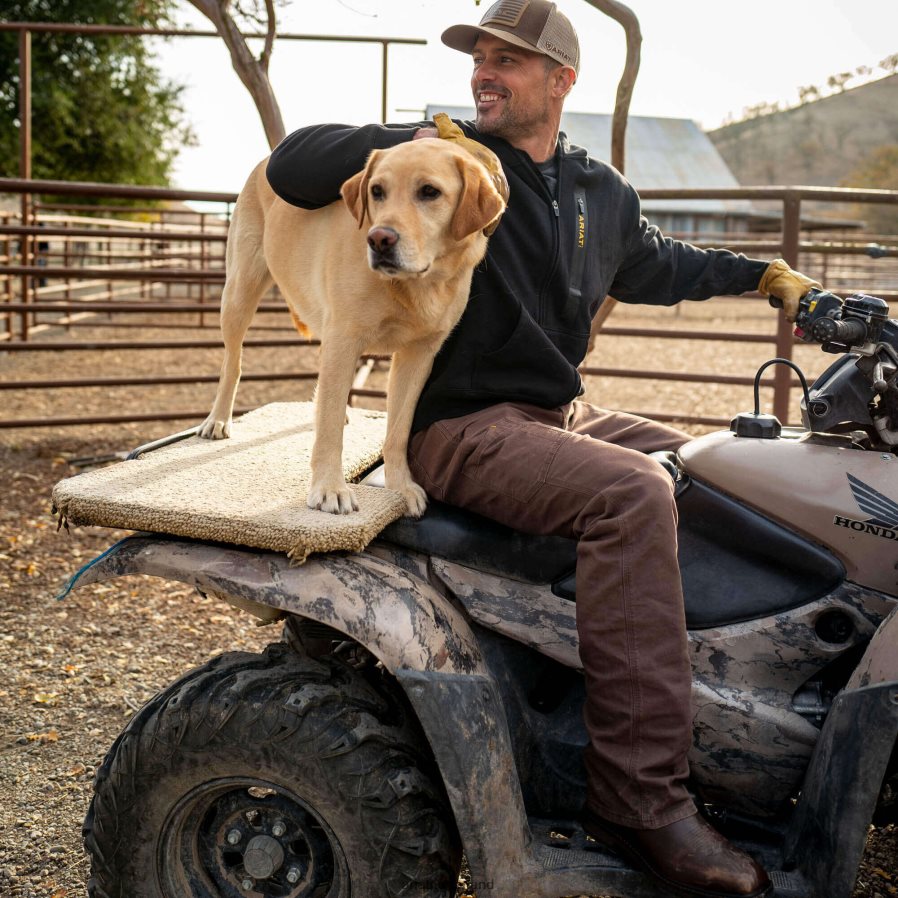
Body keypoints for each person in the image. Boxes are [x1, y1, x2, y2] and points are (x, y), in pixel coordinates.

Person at [266, 2, 818, 895]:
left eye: (508, 61)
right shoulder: (450, 169)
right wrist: (410, 138)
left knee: (726, 467)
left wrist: (765, 278)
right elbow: (294, 166)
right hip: (460, 428)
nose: (485, 72)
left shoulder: (599, 192)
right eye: (480, 57)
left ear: (562, 80)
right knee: (634, 492)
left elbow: (659, 262)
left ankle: (730, 720)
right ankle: (640, 802)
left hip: (557, 417)